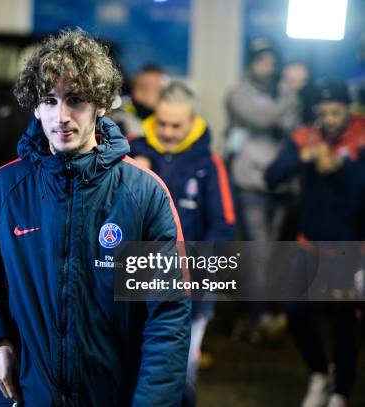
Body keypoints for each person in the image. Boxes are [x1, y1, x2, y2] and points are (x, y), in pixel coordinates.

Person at [0, 28, 191, 406]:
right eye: (49, 100)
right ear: (35, 106)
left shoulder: (144, 193)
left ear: (100, 105)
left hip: (112, 395)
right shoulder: (7, 187)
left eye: (76, 100)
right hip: (27, 395)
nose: (61, 116)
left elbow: (167, 311)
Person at [130, 82, 236, 406]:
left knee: (182, 370)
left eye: (177, 125)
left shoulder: (208, 163)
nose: (168, 131)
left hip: (192, 290)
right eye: (161, 123)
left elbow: (223, 227)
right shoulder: (129, 153)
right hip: (135, 281)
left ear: (193, 122)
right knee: (131, 365)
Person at [265, 80, 365, 407]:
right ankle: (320, 375)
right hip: (308, 246)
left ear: (348, 109)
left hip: (350, 248)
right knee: (295, 314)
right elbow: (272, 175)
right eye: (325, 113)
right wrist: (303, 157)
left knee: (344, 320)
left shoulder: (361, 136)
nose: (331, 119)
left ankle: (340, 392)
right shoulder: (307, 135)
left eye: (337, 112)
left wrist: (342, 169)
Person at [225, 38, 300, 341]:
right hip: (250, 182)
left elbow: (294, 130)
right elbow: (261, 118)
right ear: (252, 63)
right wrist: (290, 98)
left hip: (280, 182)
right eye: (262, 59)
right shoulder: (239, 93)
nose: (268, 64)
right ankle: (257, 313)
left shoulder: (281, 93)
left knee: (273, 252)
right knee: (259, 250)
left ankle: (263, 311)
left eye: (271, 59)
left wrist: (285, 102)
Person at [109, 64, 167, 138]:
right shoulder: (119, 122)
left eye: (158, 89)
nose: (152, 94)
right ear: (135, 90)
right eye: (145, 88)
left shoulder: (169, 122)